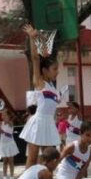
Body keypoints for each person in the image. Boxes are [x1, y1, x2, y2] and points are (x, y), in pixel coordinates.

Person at [20, 25, 61, 167]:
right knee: (31, 160)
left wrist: (43, 41)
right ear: (45, 70)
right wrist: (32, 37)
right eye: (55, 69)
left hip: (49, 123)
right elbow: (35, 59)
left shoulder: (52, 86)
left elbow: (44, 56)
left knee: (49, 161)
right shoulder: (39, 82)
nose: (57, 72)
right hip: (38, 123)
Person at [0, 109, 18, 179]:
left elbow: (10, 135)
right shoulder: (1, 123)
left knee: (11, 162)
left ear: (8, 116)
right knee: (5, 162)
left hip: (10, 144)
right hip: (3, 144)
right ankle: (4, 177)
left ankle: (12, 177)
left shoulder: (10, 123)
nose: (2, 116)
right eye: (2, 115)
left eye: (4, 115)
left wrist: (2, 112)